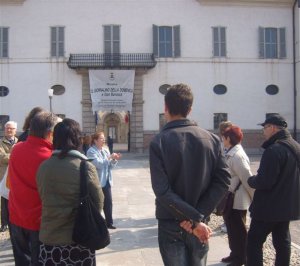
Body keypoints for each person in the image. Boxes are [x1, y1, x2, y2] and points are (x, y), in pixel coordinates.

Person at [149, 83, 231, 266]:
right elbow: (224, 180)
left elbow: (162, 190)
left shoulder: (159, 141)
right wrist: (197, 217)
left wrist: (193, 218)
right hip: (200, 222)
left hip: (172, 221)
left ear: (166, 108)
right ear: (190, 108)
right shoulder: (213, 139)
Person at [37, 118, 104, 265]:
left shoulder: (44, 167)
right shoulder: (85, 167)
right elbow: (98, 200)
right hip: (79, 238)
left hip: (50, 238)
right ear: (77, 139)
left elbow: (42, 196)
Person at [246, 114, 300, 266]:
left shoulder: (274, 149)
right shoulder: (296, 146)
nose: (263, 131)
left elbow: (265, 181)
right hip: (287, 205)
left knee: (254, 242)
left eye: (265, 127)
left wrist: (251, 180)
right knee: (282, 241)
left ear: (273, 127)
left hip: (268, 207)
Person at [8, 112, 61, 266]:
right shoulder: (51, 157)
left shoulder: (16, 149)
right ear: (51, 134)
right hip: (39, 222)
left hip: (17, 216)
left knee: (22, 261)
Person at [220, 125, 254, 266]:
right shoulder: (231, 152)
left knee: (239, 230)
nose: (222, 140)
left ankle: (242, 258)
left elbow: (248, 179)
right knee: (232, 229)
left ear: (228, 138)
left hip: (238, 199)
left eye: (223, 137)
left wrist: (255, 199)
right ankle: (235, 254)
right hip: (231, 198)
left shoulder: (238, 155)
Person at [87, 131, 121, 229]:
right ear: (95, 140)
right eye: (101, 138)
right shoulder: (91, 151)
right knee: (97, 203)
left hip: (107, 180)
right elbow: (99, 164)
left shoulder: (105, 150)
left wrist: (114, 159)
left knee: (108, 202)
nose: (104, 140)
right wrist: (110, 157)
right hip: (97, 182)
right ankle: (96, 223)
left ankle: (109, 222)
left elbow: (110, 166)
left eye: (104, 138)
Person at [0, 121, 18, 232]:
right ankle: (4, 223)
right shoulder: (0, 142)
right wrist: (16, 155)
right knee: (4, 200)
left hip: (16, 174)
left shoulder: (20, 142)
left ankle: (14, 221)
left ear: (15, 130)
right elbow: (2, 158)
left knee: (15, 199)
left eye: (11, 128)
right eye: (7, 128)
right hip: (3, 175)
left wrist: (9, 156)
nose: (9, 130)